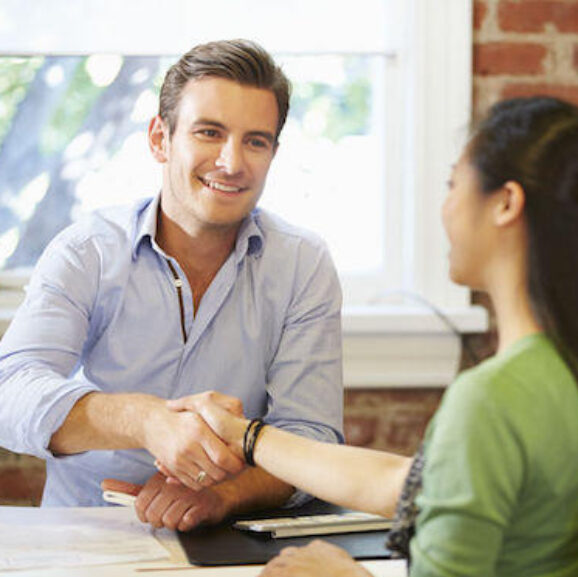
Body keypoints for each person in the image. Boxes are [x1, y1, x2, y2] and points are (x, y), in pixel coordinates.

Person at [163, 96, 578, 577]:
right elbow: (407, 484)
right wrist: (247, 436)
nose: (446, 207)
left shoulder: (492, 401)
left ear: (505, 203)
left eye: (454, 184)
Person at [0, 40, 343, 531]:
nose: (231, 162)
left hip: (229, 539)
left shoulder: (304, 264)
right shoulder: (87, 250)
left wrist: (224, 495)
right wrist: (147, 420)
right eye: (209, 132)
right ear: (160, 139)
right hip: (86, 533)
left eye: (255, 141)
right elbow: (8, 391)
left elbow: (313, 441)